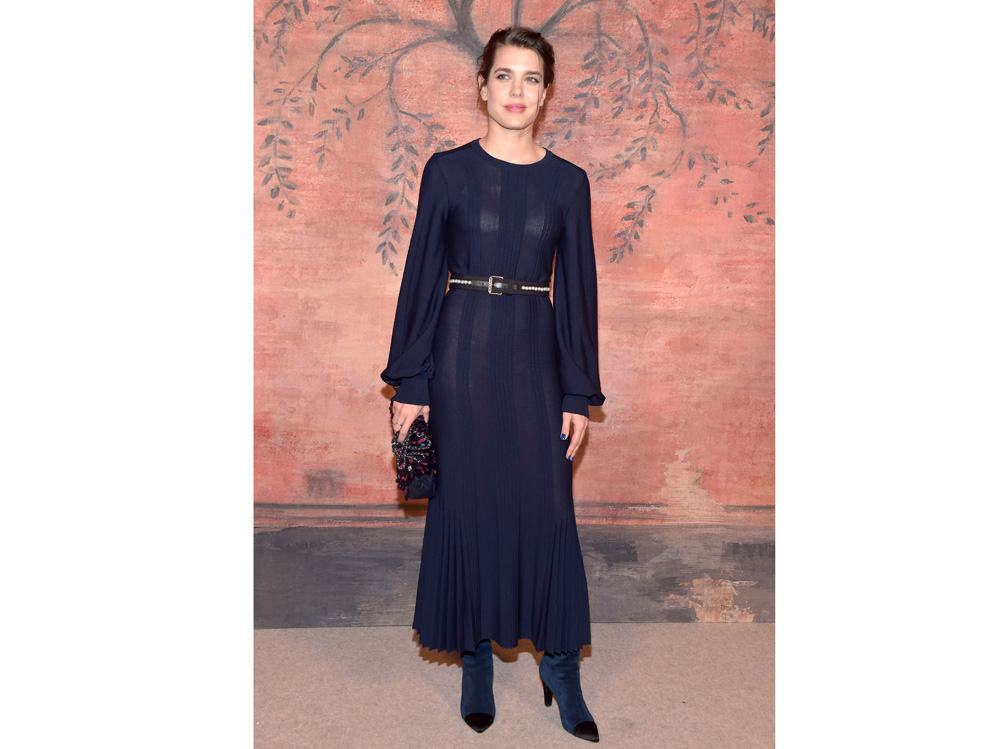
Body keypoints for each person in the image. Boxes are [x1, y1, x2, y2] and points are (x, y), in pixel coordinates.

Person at [381, 25, 605, 742]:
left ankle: (560, 666)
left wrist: (577, 391)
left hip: (537, 359)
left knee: (548, 510)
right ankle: (475, 658)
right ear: (482, 87)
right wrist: (411, 382)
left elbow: (578, 294)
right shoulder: (446, 172)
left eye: (531, 78)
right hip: (461, 358)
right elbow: (421, 279)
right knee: (467, 506)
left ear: (546, 93)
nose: (516, 90)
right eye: (504, 75)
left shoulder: (568, 183)